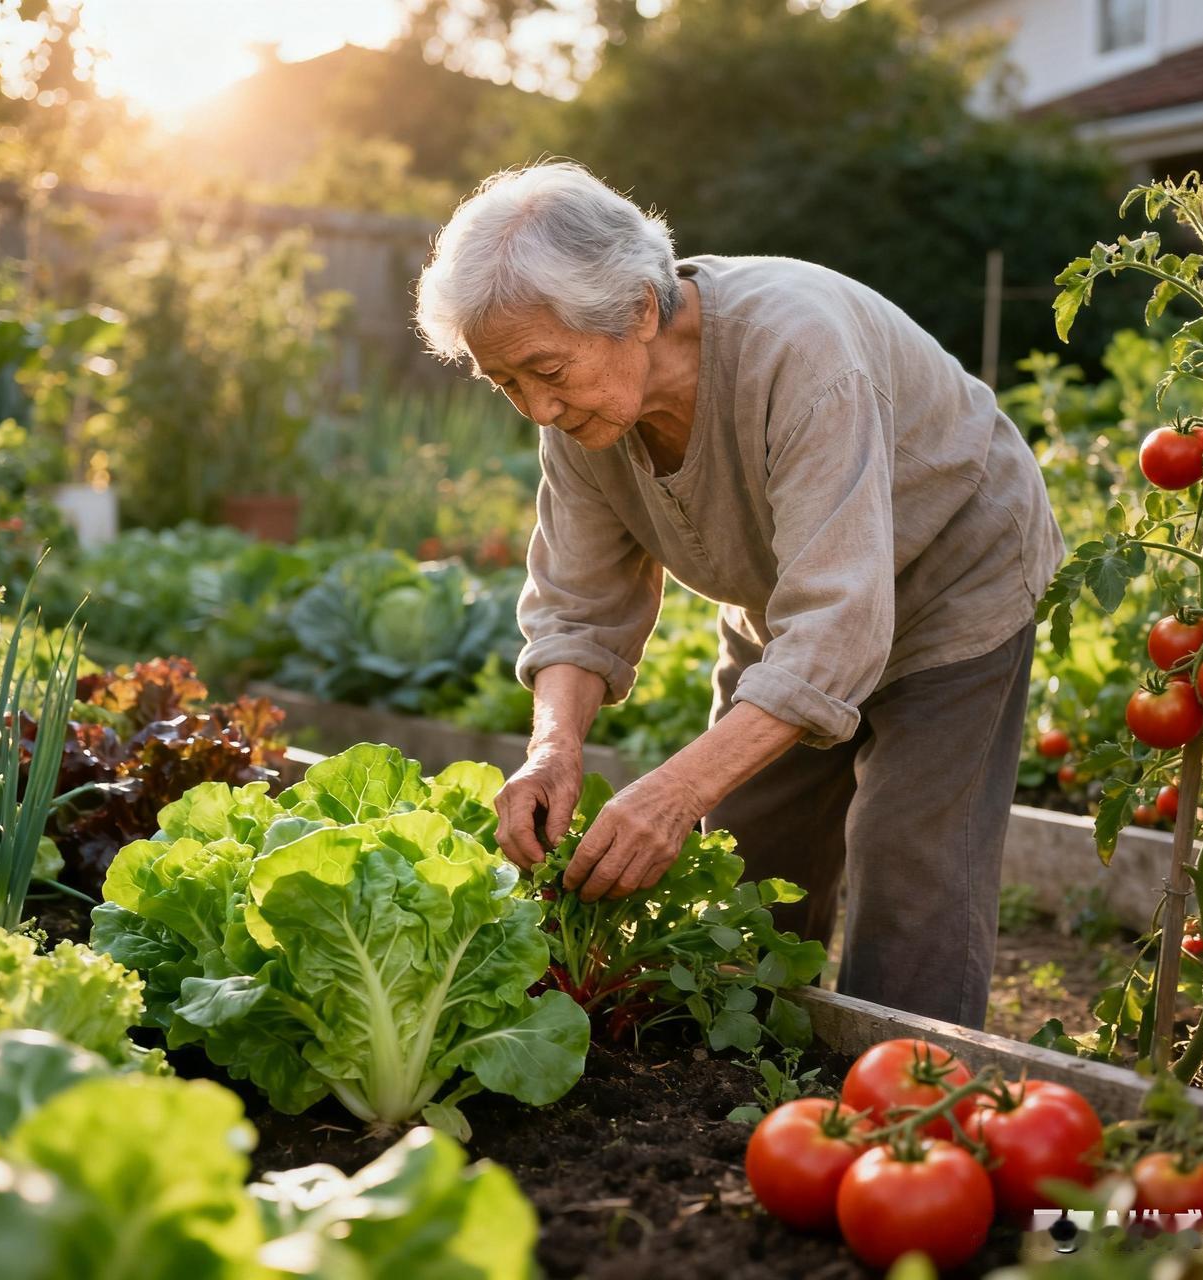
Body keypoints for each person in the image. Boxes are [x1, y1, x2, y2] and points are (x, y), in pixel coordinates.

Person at [414, 161, 1063, 1029]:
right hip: (791, 607)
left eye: (545, 370)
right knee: (748, 856)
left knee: (909, 856)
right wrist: (553, 744)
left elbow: (839, 626)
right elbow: (578, 603)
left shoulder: (800, 353)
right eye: (507, 383)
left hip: (953, 577)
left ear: (639, 310)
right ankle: (746, 1070)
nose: (536, 407)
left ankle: (907, 1107)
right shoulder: (583, 412)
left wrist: (673, 791)